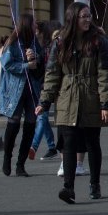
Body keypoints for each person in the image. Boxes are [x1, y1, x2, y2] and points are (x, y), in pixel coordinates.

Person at [36, 2, 108, 204]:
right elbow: (52, 73)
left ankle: (94, 184)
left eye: (89, 16)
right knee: (68, 145)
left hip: (91, 98)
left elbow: (105, 74)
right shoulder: (61, 42)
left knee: (92, 143)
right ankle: (68, 187)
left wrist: (106, 104)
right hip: (67, 98)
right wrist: (45, 101)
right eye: (83, 16)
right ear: (73, 18)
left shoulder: (99, 41)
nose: (87, 20)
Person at [0, 13, 44, 177]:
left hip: (32, 89)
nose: (36, 27)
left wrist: (36, 58)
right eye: (34, 24)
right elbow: (6, 64)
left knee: (31, 125)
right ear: (27, 25)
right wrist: (26, 65)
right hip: (16, 89)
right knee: (13, 123)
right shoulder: (13, 43)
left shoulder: (34, 42)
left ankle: (21, 164)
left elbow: (41, 62)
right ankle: (7, 158)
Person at [28, 21, 60, 161]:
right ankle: (52, 146)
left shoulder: (53, 47)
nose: (36, 34)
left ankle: (34, 146)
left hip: (49, 87)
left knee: (42, 116)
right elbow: (39, 67)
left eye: (38, 31)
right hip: (44, 86)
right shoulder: (44, 48)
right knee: (43, 116)